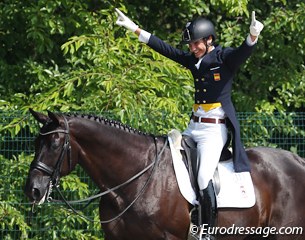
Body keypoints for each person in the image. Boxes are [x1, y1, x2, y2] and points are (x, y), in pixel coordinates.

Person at [115, 8, 264, 239]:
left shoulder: (224, 59)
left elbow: (242, 53)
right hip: (193, 127)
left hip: (214, 131)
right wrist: (135, 29)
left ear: (209, 39)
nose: (192, 49)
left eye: (196, 44)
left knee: (204, 177)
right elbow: (165, 49)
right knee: (168, 164)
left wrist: (252, 36)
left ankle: (206, 231)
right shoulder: (193, 60)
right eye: (190, 45)